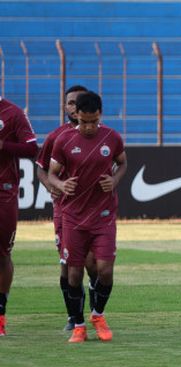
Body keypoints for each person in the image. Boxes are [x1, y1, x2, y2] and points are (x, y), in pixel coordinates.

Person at [48, 91, 126, 343]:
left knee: (105, 271)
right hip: (73, 216)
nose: (89, 127)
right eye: (84, 122)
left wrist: (113, 180)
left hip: (103, 215)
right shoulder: (64, 141)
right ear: (75, 116)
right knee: (73, 275)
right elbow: (51, 174)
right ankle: (78, 325)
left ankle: (97, 315)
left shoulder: (112, 138)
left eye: (93, 121)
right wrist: (61, 186)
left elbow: (123, 163)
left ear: (99, 115)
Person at [36, 85, 100, 331]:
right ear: (65, 107)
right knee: (68, 264)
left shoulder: (102, 136)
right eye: (70, 103)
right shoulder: (56, 137)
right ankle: (74, 318)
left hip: (94, 211)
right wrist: (53, 185)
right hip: (65, 210)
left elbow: (117, 163)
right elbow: (42, 169)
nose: (74, 107)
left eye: (78, 103)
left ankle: (96, 314)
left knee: (94, 264)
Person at [0, 94, 38, 336]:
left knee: (2, 255)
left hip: (3, 192)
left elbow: (32, 148)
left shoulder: (12, 113)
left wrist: (4, 146)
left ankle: (0, 314)